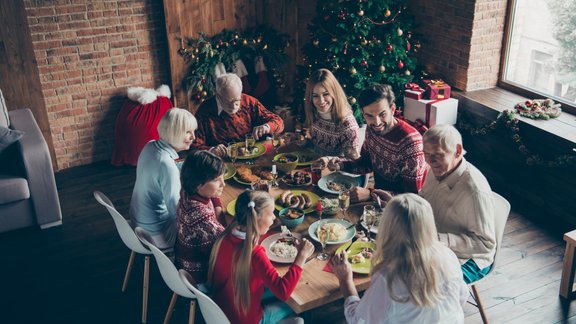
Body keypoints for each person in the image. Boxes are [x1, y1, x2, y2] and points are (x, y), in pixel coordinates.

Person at [331, 193, 468, 323]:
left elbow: (357, 321)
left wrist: (345, 280)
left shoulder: (388, 278)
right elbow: (461, 298)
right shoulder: (448, 255)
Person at [207, 190, 314, 324]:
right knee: (298, 302)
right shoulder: (255, 254)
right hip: (249, 320)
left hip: (222, 310)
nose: (274, 218)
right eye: (271, 215)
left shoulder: (225, 237)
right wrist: (301, 256)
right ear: (257, 219)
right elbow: (283, 291)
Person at [315, 84, 427, 203]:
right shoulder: (371, 129)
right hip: (377, 201)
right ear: (363, 114)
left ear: (393, 109)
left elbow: (412, 198)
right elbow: (366, 163)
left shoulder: (411, 143)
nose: (377, 122)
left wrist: (370, 194)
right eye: (369, 116)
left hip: (402, 210)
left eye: (382, 114)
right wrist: (339, 164)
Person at [419, 124, 496, 284]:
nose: (430, 161)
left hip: (470, 259)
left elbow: (485, 244)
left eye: (438, 155)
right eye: (426, 154)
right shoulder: (437, 170)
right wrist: (395, 202)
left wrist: (438, 240)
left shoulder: (474, 190)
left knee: (425, 286)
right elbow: (424, 200)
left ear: (458, 151)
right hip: (436, 244)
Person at [129, 108, 197, 250]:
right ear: (174, 132)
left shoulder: (150, 145)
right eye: (188, 132)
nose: (193, 137)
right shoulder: (166, 165)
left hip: (138, 222)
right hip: (155, 234)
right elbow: (175, 210)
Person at [190, 73, 284, 157]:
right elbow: (192, 146)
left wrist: (267, 127)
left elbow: (279, 122)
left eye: (237, 100)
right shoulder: (204, 111)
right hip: (223, 162)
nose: (233, 106)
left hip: (253, 156)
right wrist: (211, 150)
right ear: (218, 96)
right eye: (228, 102)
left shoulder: (249, 101)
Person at [175, 151, 226, 283]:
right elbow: (229, 247)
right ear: (198, 184)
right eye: (216, 180)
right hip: (201, 275)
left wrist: (218, 206)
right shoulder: (203, 219)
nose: (223, 184)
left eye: (222, 177)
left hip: (183, 262)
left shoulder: (187, 191)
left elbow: (213, 199)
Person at [303, 68, 360, 156]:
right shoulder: (315, 113)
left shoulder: (348, 125)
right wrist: (300, 140)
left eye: (326, 94)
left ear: (335, 93)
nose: (321, 101)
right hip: (313, 167)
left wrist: (328, 161)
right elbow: (314, 146)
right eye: (315, 96)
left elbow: (353, 162)